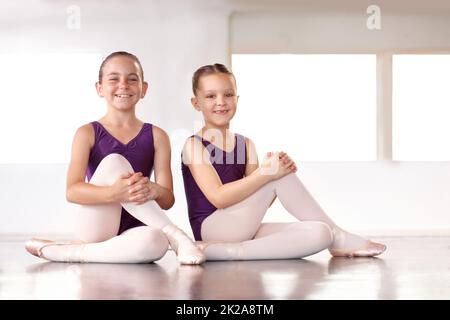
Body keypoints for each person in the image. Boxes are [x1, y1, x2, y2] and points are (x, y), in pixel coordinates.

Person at [181, 63, 387, 260]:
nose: (221, 101)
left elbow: (259, 201)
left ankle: (226, 252)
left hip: (240, 228)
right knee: (276, 175)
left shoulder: (246, 144)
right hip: (211, 227)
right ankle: (340, 236)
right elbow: (219, 198)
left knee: (321, 233)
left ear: (237, 98)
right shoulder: (194, 145)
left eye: (228, 94)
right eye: (210, 96)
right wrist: (269, 174)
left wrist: (273, 171)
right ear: (196, 103)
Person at [25, 51, 204, 265]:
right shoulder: (87, 133)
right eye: (113, 79)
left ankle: (68, 252)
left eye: (132, 79)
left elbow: (167, 201)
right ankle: (177, 236)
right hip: (97, 225)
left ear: (143, 89)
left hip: (135, 228)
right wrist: (112, 193)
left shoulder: (157, 136)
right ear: (99, 88)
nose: (123, 85)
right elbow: (72, 191)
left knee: (155, 242)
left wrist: (155, 189)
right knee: (113, 162)